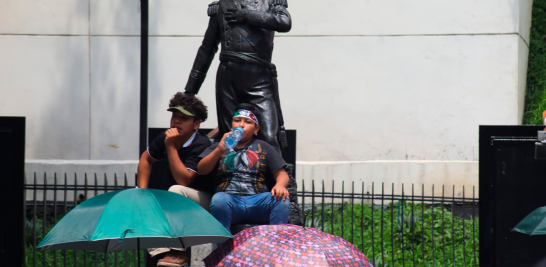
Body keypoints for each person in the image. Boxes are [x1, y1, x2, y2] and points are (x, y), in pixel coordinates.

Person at [183, 0, 292, 154]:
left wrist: (248, 15)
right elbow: (207, 49)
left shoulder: (270, 2)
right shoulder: (222, 6)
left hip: (259, 79)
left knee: (268, 137)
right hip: (228, 80)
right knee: (230, 138)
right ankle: (228, 176)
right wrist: (191, 90)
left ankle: (277, 177)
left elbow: (284, 22)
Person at [137, 92, 211, 267]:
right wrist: (141, 192)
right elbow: (145, 160)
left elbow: (184, 180)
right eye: (175, 116)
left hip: (204, 203)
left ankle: (178, 253)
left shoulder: (202, 144)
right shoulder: (166, 136)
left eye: (184, 118)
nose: (177, 121)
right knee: (146, 198)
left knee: (176, 190)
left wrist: (170, 147)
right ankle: (166, 254)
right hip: (178, 203)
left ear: (196, 124)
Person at [197, 103, 290, 232]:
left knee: (281, 200)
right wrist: (219, 150)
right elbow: (202, 169)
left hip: (258, 203)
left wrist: (280, 185)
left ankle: (275, 241)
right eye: (237, 120)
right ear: (232, 125)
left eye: (248, 122)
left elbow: (282, 174)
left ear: (256, 129)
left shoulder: (264, 147)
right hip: (230, 202)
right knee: (219, 199)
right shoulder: (220, 145)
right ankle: (222, 247)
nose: (241, 125)